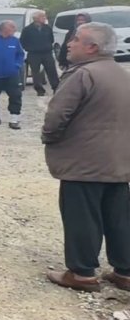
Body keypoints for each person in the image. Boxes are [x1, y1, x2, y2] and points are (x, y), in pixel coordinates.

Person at [41, 22, 130, 293]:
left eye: (76, 39)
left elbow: (57, 116)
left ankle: (81, 274)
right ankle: (125, 272)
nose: (69, 43)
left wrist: (49, 137)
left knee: (82, 215)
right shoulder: (122, 74)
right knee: (120, 217)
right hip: (119, 161)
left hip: (84, 162)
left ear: (92, 47)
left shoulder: (82, 74)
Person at [20, 11, 60, 96]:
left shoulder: (47, 28)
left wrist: (48, 46)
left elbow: (51, 39)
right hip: (34, 54)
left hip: (47, 53)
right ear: (37, 19)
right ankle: (39, 90)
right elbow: (22, 41)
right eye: (43, 17)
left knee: (52, 71)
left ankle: (56, 88)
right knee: (35, 73)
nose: (45, 18)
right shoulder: (27, 29)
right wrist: (29, 48)